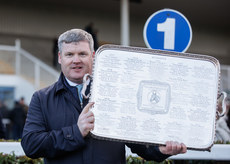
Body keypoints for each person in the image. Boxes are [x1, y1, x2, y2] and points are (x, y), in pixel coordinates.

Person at [21, 29, 187, 164]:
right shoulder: (41, 98)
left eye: (82, 54)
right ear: (60, 58)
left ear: (93, 56)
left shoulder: (117, 94)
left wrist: (160, 150)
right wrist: (76, 132)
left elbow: (140, 144)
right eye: (69, 54)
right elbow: (31, 145)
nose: (76, 60)